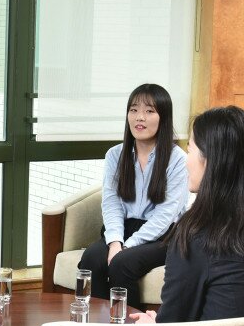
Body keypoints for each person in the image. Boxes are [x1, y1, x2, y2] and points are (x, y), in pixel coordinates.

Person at [139, 106, 244, 324]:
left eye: (190, 149)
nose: (185, 160)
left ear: (212, 160)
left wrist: (153, 325)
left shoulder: (196, 233)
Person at [78, 83, 188, 308]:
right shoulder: (115, 155)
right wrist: (116, 242)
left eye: (149, 111)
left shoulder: (177, 159)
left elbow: (166, 214)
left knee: (122, 264)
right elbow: (111, 204)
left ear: (163, 117)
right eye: (134, 110)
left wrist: (128, 247)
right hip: (124, 228)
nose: (140, 117)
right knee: (91, 259)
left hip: (163, 236)